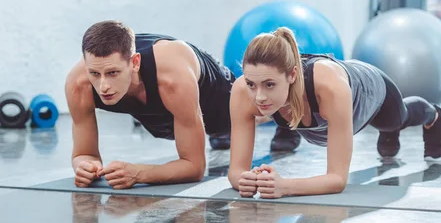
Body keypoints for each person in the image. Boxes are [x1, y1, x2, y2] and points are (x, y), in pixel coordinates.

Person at [65, 20, 299, 189]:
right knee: (197, 127)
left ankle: (287, 117)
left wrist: (139, 173)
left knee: (258, 105)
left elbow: (195, 167)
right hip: (160, 114)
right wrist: (86, 166)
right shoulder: (79, 85)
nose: (103, 85)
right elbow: (84, 154)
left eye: (113, 72)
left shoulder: (172, 81)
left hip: (211, 95)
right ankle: (216, 133)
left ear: (135, 63)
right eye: (94, 73)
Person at [227, 27, 441, 199]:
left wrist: (284, 186)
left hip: (372, 91)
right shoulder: (242, 92)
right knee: (280, 107)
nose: (258, 97)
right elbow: (235, 172)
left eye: (269, 85)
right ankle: (388, 131)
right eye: (251, 84)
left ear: (292, 75)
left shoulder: (330, 88)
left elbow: (337, 179)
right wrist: (248, 181)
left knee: (395, 121)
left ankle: (434, 115)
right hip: (315, 108)